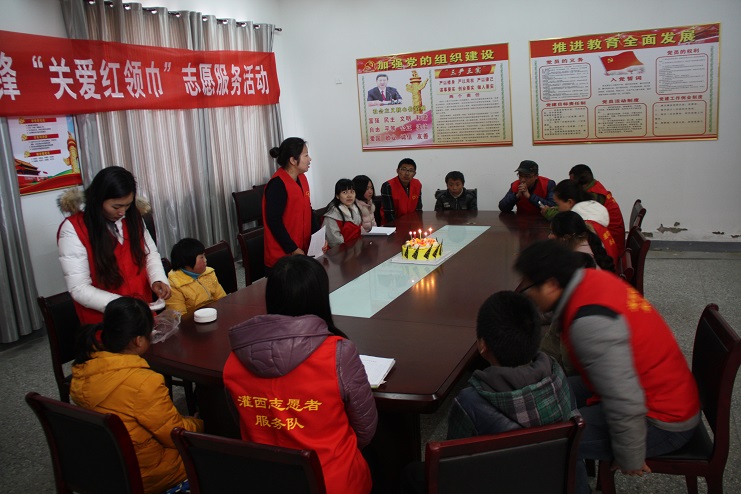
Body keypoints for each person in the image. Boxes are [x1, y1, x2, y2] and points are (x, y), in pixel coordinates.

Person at [514, 240, 700, 494]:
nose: (528, 293)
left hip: (659, 420)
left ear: (552, 285)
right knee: (552, 391)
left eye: (529, 287)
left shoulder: (590, 322)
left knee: (551, 443)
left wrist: (630, 455)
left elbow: (623, 397)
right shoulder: (590, 280)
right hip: (656, 390)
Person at [222, 255, 377, 494]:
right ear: (320, 299)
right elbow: (365, 429)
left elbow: (240, 420)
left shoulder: (234, 359)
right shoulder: (338, 353)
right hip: (333, 482)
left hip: (264, 481)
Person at [400, 290, 577, 494]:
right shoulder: (557, 374)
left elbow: (451, 467)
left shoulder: (469, 402)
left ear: (482, 345)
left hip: (493, 483)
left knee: (411, 473)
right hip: (547, 480)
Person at [70, 297, 204, 494]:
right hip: (148, 474)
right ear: (138, 340)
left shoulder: (83, 370)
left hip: (107, 468)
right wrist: (200, 424)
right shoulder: (143, 383)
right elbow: (174, 434)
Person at [57, 166, 170, 326]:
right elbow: (79, 288)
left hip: (141, 312)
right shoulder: (73, 229)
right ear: (98, 199)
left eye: (127, 205)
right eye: (116, 207)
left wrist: (157, 279)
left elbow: (150, 254)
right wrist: (126, 306)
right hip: (106, 322)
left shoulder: (133, 218)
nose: (122, 212)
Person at [263, 137, 325, 269]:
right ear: (292, 160)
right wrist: (293, 248)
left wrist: (318, 238)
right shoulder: (277, 184)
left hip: (301, 249)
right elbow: (274, 221)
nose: (310, 159)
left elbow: (308, 210)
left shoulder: (302, 178)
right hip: (284, 256)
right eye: (306, 155)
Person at [545, 179, 620, 267]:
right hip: (611, 266)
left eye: (558, 204)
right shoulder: (592, 213)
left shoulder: (582, 225)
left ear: (570, 202)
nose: (558, 209)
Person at [569, 164, 626, 253]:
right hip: (611, 240)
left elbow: (573, 215)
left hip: (611, 246)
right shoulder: (595, 186)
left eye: (572, 181)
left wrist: (550, 211)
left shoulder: (594, 195)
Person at [165, 237, 227, 315]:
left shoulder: (208, 272)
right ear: (187, 262)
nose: (205, 260)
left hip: (214, 314)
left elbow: (222, 299)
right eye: (201, 257)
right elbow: (178, 317)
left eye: (204, 256)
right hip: (193, 320)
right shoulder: (174, 285)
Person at [550, 211, 615, 272]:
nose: (549, 236)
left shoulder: (579, 261)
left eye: (552, 233)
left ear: (566, 237)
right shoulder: (589, 240)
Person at [323, 179, 365, 248]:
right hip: (341, 251)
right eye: (345, 192)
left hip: (357, 248)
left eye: (352, 192)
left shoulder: (356, 209)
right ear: (337, 196)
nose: (349, 195)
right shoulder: (331, 216)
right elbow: (335, 243)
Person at [380, 158, 422, 224]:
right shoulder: (388, 186)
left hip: (411, 224)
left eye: (411, 171)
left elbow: (418, 210)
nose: (407, 173)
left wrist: (417, 224)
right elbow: (389, 214)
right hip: (391, 225)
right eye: (403, 169)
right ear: (397, 171)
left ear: (414, 173)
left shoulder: (417, 184)